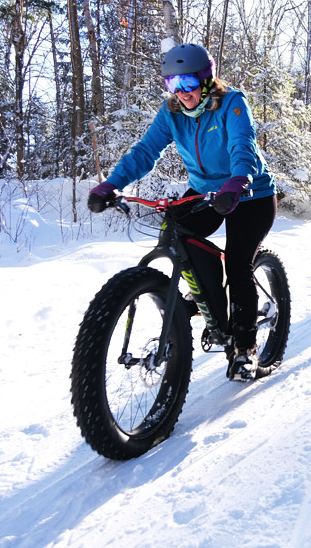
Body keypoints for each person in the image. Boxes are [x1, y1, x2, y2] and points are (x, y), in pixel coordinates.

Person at [87, 43, 276, 381]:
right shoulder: (172, 112)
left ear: (206, 79)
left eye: (188, 84)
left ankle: (245, 348)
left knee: (237, 262)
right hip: (206, 191)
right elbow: (145, 152)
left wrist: (238, 181)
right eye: (173, 85)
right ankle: (204, 297)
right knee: (174, 232)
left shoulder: (232, 103)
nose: (182, 93)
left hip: (249, 194)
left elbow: (242, 146)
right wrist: (112, 184)